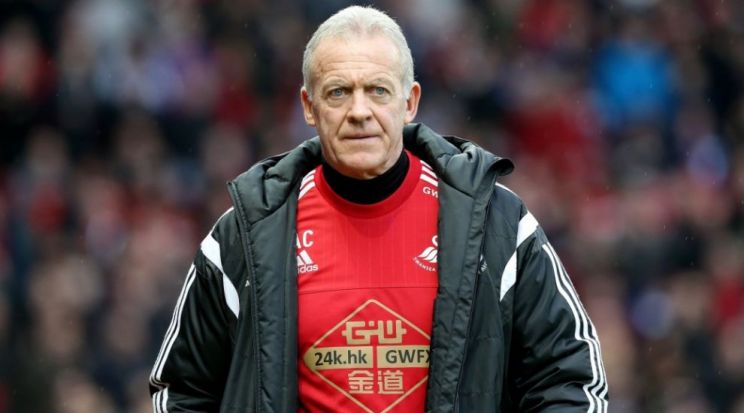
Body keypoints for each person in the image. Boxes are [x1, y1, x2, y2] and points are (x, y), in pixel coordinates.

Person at [149, 5, 608, 412]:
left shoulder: (499, 224)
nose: (359, 111)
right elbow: (182, 391)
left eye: (378, 90)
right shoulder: (243, 236)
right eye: (338, 92)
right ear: (309, 106)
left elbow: (571, 378)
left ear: (410, 103)